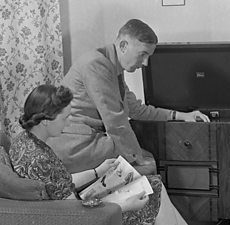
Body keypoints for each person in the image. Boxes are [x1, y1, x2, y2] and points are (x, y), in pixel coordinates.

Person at [47, 19, 210, 174]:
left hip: (89, 140)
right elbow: (115, 121)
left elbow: (136, 110)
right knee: (147, 163)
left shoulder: (112, 68)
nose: (145, 63)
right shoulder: (96, 64)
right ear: (123, 45)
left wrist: (182, 115)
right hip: (76, 145)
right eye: (142, 54)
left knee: (149, 159)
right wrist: (136, 158)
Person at [9, 84, 187, 225]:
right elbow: (74, 213)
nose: (69, 122)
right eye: (65, 118)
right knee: (152, 192)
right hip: (80, 215)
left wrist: (97, 171)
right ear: (46, 121)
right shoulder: (39, 158)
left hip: (73, 205)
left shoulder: (26, 141)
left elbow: (59, 183)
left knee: (153, 184)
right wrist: (123, 205)